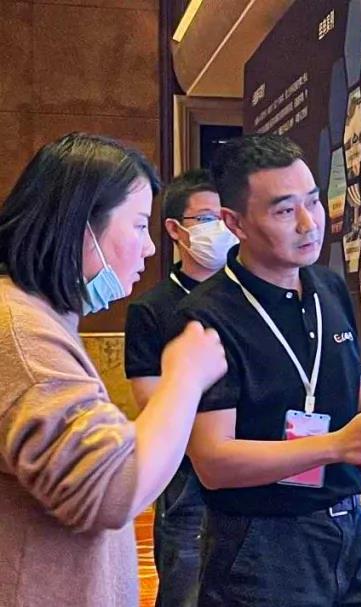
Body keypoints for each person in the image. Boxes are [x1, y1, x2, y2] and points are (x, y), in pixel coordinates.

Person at [179, 134, 361, 606]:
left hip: (349, 526)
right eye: (285, 211)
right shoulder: (206, 318)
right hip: (262, 542)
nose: (309, 223)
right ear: (235, 222)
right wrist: (334, 445)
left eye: (313, 201)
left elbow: (343, 390)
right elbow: (213, 462)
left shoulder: (326, 287)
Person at [0, 133, 227, 606]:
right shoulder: (22, 334)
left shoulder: (34, 320)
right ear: (83, 226)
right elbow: (115, 489)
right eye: (139, 225)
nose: (148, 248)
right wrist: (184, 377)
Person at [124, 168, 237, 607]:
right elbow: (149, 400)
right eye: (206, 219)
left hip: (249, 467)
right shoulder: (152, 308)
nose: (220, 229)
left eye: (225, 217)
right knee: (184, 587)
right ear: (174, 229)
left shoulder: (244, 295)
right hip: (186, 476)